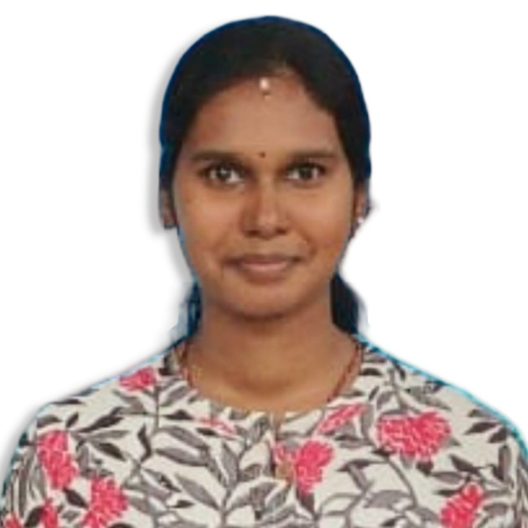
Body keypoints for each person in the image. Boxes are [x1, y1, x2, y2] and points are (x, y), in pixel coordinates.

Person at [1, 14, 527, 528]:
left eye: (305, 172)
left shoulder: (476, 462)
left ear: (359, 198)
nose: (265, 218)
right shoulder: (71, 458)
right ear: (166, 198)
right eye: (223, 174)